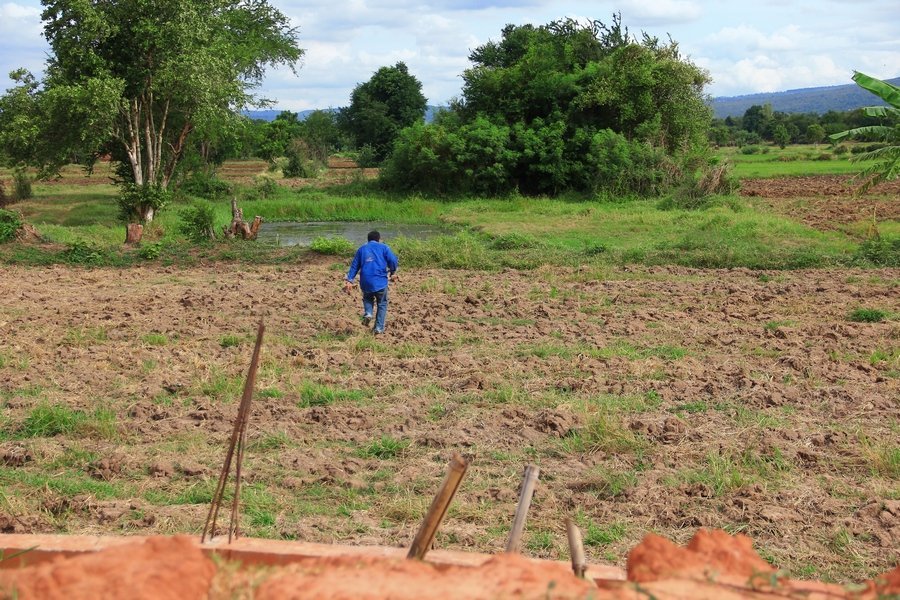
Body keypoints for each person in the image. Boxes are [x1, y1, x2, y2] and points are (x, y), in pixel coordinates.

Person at [344, 230, 398, 334]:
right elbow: (392, 260)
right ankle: (378, 328)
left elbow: (355, 266)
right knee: (382, 304)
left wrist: (350, 280)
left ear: (368, 239)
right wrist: (392, 271)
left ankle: (368, 313)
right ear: (379, 239)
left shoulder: (362, 249)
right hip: (380, 281)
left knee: (367, 298)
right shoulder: (384, 247)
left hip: (366, 281)